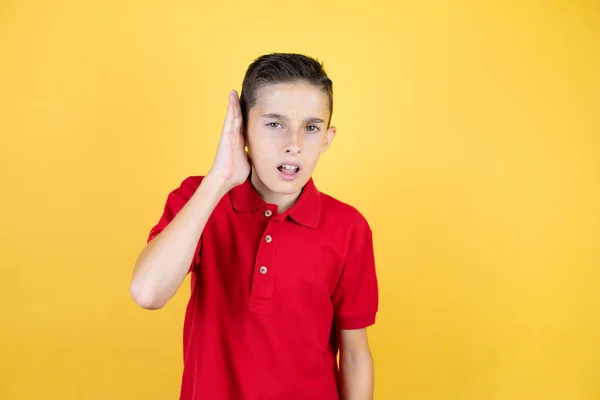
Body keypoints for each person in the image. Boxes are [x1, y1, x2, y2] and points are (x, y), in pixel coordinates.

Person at [130, 53, 379, 400]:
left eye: (311, 127)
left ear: (327, 138)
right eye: (274, 124)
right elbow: (147, 292)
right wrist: (219, 179)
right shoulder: (199, 199)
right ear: (242, 128)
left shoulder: (349, 227)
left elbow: (354, 352)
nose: (293, 143)